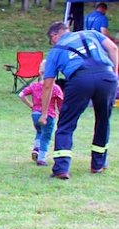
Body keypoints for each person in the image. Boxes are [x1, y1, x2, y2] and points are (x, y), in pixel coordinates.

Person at [40, 21, 118, 178]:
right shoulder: (90, 33)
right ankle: (98, 164)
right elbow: (114, 48)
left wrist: (44, 113)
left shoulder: (56, 50)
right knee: (103, 120)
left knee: (66, 123)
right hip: (106, 76)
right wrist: (114, 73)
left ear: (54, 36)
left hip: (80, 80)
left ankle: (61, 168)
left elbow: (48, 85)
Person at [19, 72, 63, 165]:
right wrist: (60, 113)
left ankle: (36, 148)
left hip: (35, 114)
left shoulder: (34, 86)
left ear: (40, 73)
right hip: (48, 115)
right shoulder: (55, 88)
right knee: (46, 137)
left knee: (39, 132)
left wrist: (31, 106)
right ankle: (41, 158)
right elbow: (60, 103)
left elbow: (21, 95)